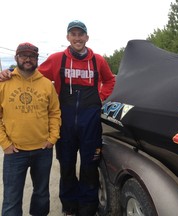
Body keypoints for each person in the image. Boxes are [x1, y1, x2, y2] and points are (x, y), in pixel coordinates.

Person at [0, 20, 116, 216]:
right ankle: (70, 207)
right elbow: (32, 74)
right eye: (74, 34)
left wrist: (101, 97)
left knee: (90, 166)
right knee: (67, 166)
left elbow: (110, 79)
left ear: (87, 37)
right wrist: (9, 74)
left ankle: (88, 207)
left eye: (81, 34)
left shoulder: (98, 60)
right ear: (68, 38)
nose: (77, 38)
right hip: (67, 121)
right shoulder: (56, 59)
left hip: (90, 122)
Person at [0, 42, 61, 216]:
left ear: (36, 59)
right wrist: (4, 143)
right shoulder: (4, 82)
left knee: (41, 195)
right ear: (16, 58)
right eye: (24, 55)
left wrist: (52, 139)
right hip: (15, 152)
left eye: (32, 56)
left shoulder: (46, 84)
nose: (28, 59)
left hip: (42, 150)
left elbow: (55, 113)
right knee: (12, 200)